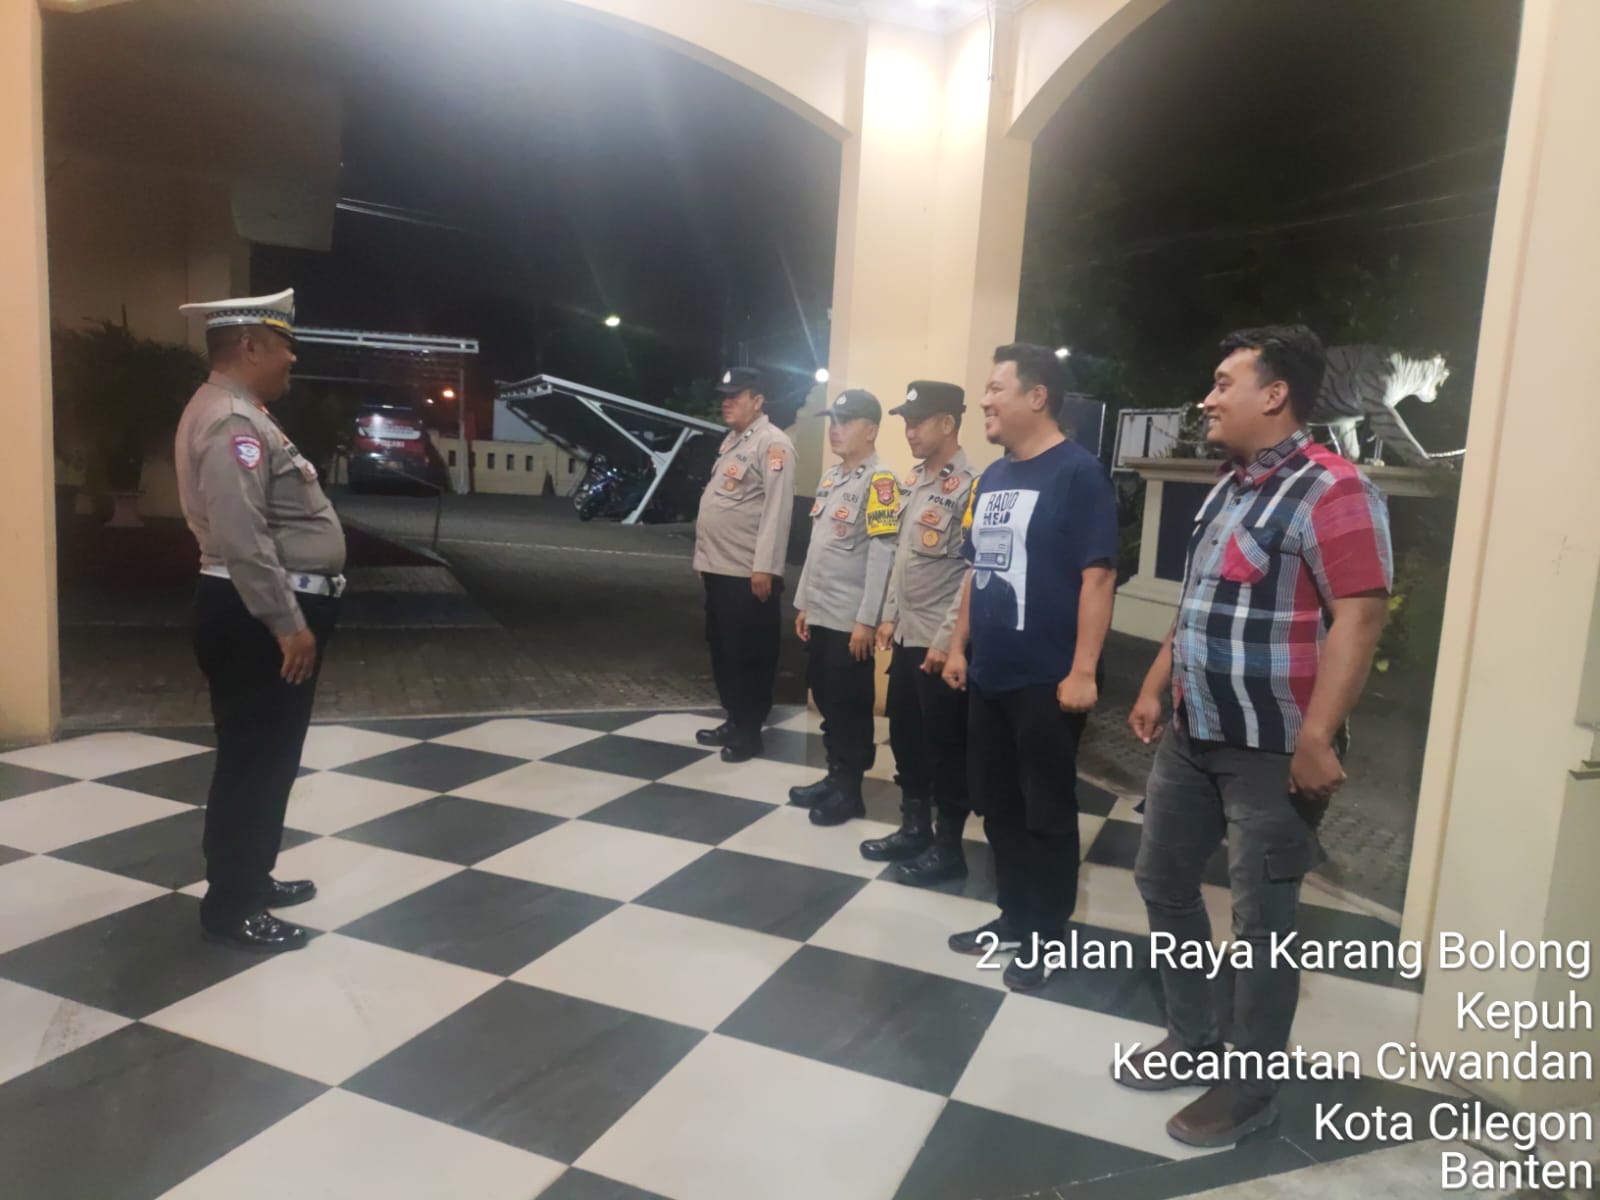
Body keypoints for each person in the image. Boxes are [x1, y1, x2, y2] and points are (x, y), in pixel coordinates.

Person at [1116, 325, 1392, 1148]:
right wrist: (1156, 684)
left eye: (1222, 383)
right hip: (1194, 730)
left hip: (1273, 749)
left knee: (1263, 921)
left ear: (1274, 395)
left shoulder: (1334, 488)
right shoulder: (1229, 487)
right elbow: (1199, 600)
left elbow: (1361, 616)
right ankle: (1192, 1035)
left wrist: (1318, 735)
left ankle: (1250, 1089)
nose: (1207, 399)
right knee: (1162, 878)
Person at [941, 343, 1119, 992]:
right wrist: (958, 646)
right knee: (997, 804)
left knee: (1046, 812)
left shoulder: (1078, 474)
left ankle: (1047, 934)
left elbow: (1099, 578)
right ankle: (1014, 916)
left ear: (1036, 397)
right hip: (990, 671)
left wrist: (1083, 670)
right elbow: (977, 569)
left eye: (996, 389)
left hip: (1048, 678)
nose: (984, 400)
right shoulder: (993, 476)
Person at [175, 288, 345, 952]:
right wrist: (286, 622)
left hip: (254, 610)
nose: (292, 357)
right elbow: (242, 536)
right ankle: (233, 906)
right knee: (256, 762)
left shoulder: (240, 414)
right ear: (249, 346)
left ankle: (252, 877)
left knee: (268, 757)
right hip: (256, 617)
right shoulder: (232, 424)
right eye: (283, 345)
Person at [859, 381, 977, 883]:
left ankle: (948, 847)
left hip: (938, 644)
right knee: (906, 738)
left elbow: (971, 574)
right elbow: (901, 558)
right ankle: (913, 829)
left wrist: (948, 641)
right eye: (906, 422)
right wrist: (888, 614)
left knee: (945, 749)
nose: (909, 431)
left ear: (948, 423)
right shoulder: (913, 481)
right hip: (907, 636)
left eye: (918, 421)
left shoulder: (971, 486)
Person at [788, 389, 900, 826]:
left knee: (850, 705)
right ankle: (834, 775)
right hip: (821, 612)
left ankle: (849, 790)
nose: (835, 429)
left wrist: (867, 620)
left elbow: (882, 556)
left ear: (871, 430)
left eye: (846, 421)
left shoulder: (881, 482)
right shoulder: (832, 477)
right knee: (826, 698)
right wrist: (803, 603)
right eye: (833, 421)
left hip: (850, 621)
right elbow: (817, 547)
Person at [693, 367, 797, 762]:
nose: (727, 402)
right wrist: (704, 558)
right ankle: (734, 718)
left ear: (758, 401)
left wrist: (765, 567)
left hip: (747, 574)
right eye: (725, 395)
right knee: (723, 650)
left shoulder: (773, 444)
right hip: (720, 569)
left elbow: (777, 510)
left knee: (749, 654)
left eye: (736, 396)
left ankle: (750, 730)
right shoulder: (734, 441)